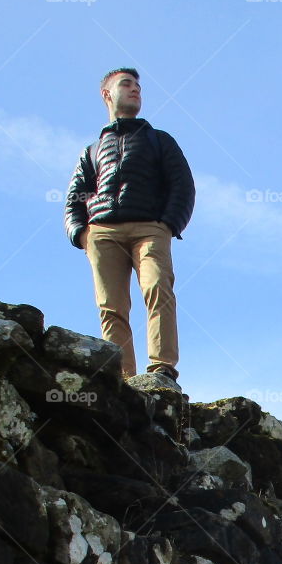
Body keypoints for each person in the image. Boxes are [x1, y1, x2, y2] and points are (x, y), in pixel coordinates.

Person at [64, 67, 195, 391]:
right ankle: (122, 379)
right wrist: (81, 233)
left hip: (150, 228)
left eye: (138, 85)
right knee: (111, 305)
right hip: (102, 232)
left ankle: (162, 371)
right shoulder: (91, 151)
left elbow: (183, 186)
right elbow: (73, 198)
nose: (136, 89)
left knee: (157, 289)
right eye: (126, 84)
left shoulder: (159, 140)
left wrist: (166, 225)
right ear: (107, 94)